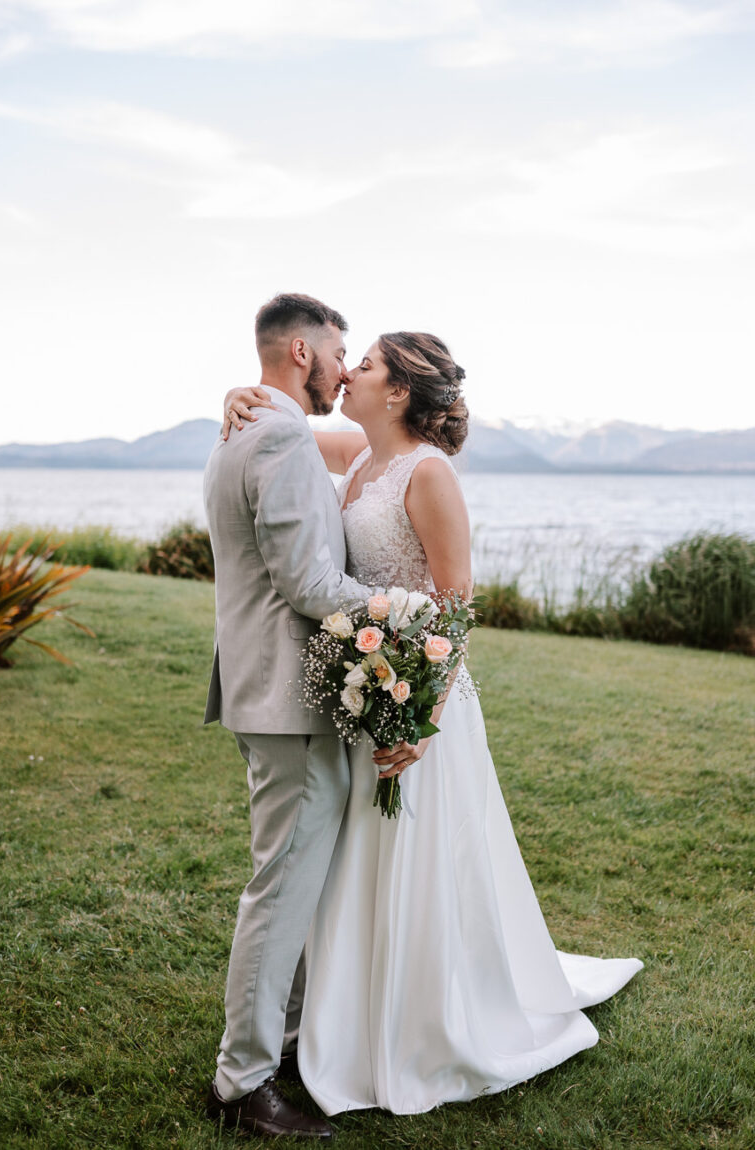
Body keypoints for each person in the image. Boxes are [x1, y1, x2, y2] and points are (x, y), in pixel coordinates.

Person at [223, 330, 643, 1116]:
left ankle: (427, 1021)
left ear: (399, 393)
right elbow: (288, 426)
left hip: (424, 705)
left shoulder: (427, 472)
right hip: (368, 692)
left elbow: (456, 605)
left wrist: (423, 717)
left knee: (421, 865)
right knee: (358, 862)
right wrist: (240, 396)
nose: (349, 372)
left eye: (368, 364)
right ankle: (348, 1019)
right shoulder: (361, 456)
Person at [203, 292, 372, 1139]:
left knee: (298, 877)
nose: (346, 370)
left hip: (265, 688)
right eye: (340, 353)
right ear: (302, 351)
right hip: (289, 700)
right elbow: (309, 585)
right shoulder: (273, 434)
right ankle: (243, 1082)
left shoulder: (246, 426)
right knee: (279, 888)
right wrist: (403, 609)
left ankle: (295, 1039)